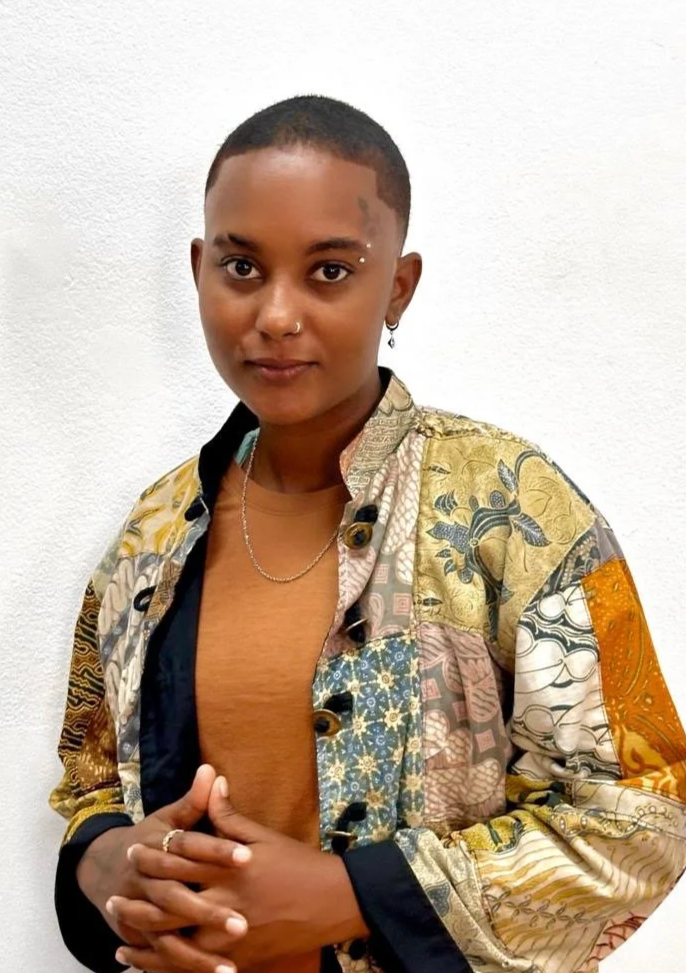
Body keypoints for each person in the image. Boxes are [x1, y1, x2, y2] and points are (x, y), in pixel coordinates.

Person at [50, 95, 686, 973]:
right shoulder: (152, 536)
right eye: (240, 266)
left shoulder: (520, 510)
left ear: (399, 283)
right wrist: (107, 862)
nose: (276, 314)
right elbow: (89, 781)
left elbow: (646, 816)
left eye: (330, 272)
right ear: (199, 268)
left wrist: (351, 895)